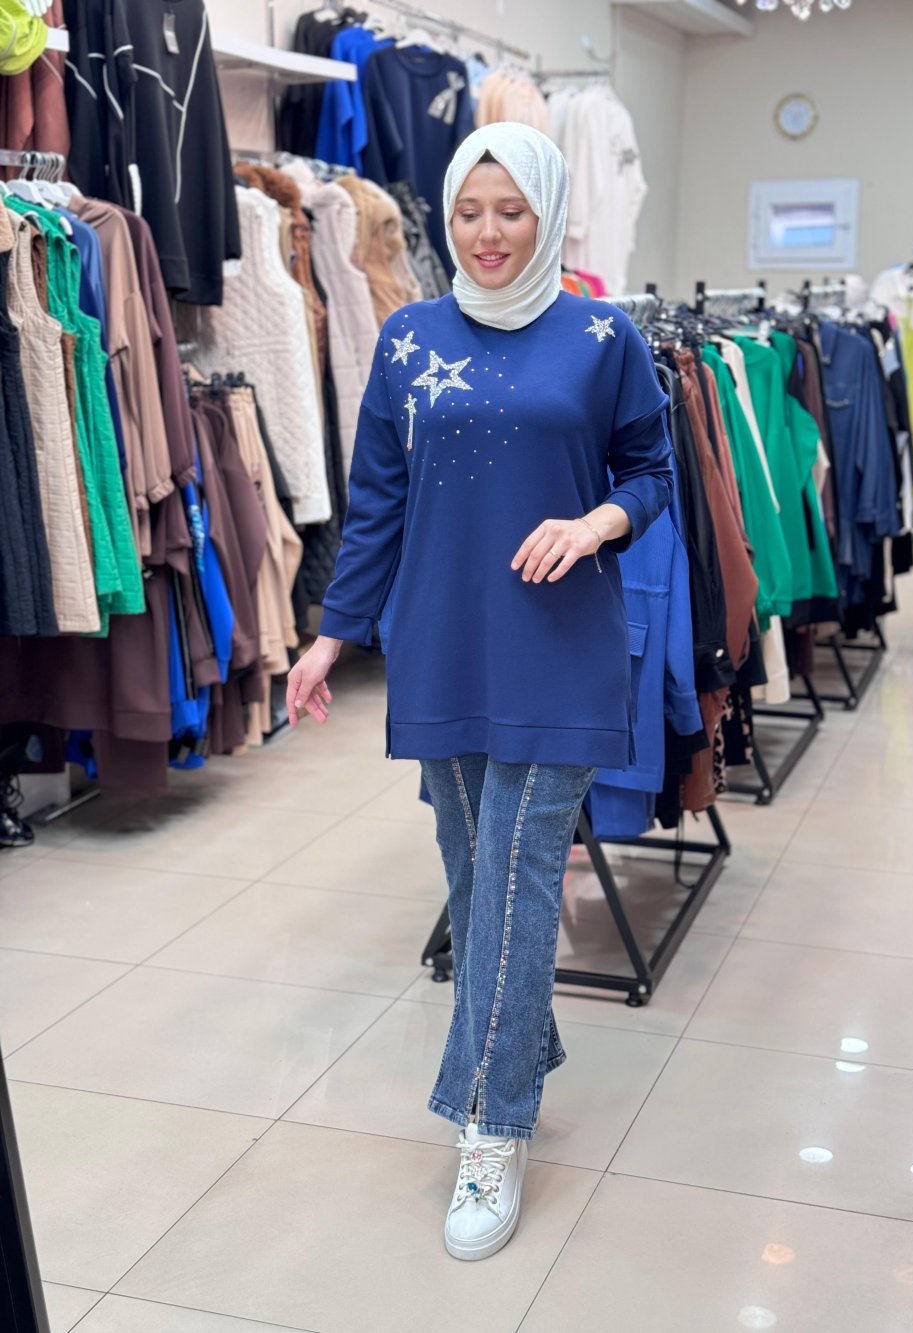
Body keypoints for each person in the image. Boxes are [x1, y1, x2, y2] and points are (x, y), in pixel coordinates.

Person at [287, 122, 674, 1262]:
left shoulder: (602, 336)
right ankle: (521, 1046)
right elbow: (377, 502)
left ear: (546, 214)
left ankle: (491, 1127)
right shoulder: (407, 337)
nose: (489, 234)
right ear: (445, 216)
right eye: (469, 212)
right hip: (444, 646)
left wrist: (595, 522)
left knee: (512, 878)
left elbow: (652, 472)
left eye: (511, 212)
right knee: (475, 881)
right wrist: (330, 637)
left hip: (562, 646)